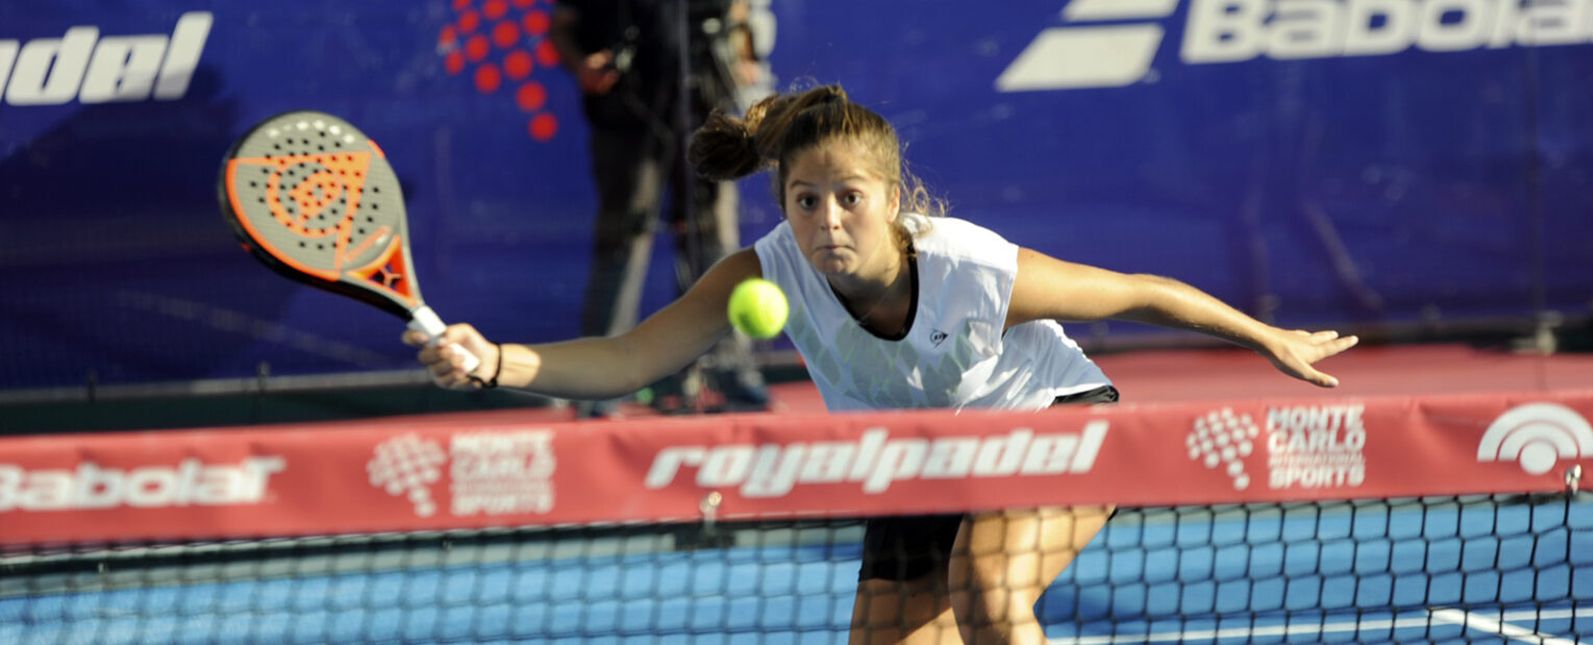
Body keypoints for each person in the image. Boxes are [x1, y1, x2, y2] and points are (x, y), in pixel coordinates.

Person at [407, 85, 1359, 644]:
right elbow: (626, 358)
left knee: (989, 590)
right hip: (922, 460)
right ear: (782, 201)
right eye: (805, 200)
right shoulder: (762, 267)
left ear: (890, 195)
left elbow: (1141, 290)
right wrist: (496, 361)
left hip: (1053, 422)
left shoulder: (969, 267)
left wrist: (1268, 337)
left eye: (848, 198)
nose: (826, 222)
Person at [550, 0, 769, 415]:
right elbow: (561, 27)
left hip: (708, 108)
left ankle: (729, 372)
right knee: (623, 240)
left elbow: (739, 12)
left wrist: (743, 56)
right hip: (628, 113)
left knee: (715, 240)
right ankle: (599, 385)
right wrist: (583, 65)